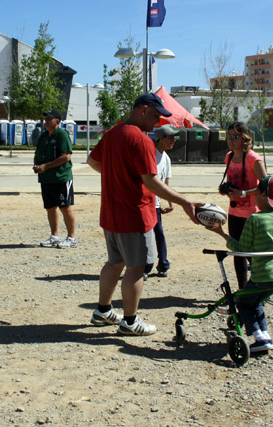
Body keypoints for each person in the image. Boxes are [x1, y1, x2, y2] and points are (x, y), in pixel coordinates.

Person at [87, 93, 201, 336]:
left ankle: (103, 311)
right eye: (155, 115)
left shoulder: (113, 134)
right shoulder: (141, 140)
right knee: (136, 268)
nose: (158, 121)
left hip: (111, 213)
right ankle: (129, 322)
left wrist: (117, 176)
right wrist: (183, 201)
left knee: (114, 262)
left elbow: (92, 161)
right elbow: (151, 181)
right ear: (143, 110)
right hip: (135, 215)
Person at [209, 175, 273, 352]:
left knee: (243, 301)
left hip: (262, 275)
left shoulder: (255, 219)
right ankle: (265, 334)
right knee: (257, 299)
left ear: (261, 194)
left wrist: (222, 233)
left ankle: (258, 336)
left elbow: (242, 249)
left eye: (257, 194)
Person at [219, 122, 268, 289]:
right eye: (229, 136)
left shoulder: (254, 159)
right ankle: (242, 289)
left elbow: (266, 185)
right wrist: (227, 190)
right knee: (237, 252)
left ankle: (260, 285)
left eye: (235, 137)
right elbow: (232, 181)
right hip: (234, 211)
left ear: (245, 139)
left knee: (250, 253)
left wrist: (243, 193)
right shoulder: (229, 157)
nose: (231, 140)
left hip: (251, 213)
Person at [33, 110, 77, 249]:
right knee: (50, 208)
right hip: (46, 179)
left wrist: (46, 166)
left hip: (61, 177)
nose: (46, 121)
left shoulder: (62, 134)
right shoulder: (44, 136)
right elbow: (37, 153)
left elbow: (66, 156)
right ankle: (54, 237)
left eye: (50, 119)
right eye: (46, 118)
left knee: (65, 207)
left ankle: (71, 238)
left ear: (57, 121)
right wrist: (37, 165)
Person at [144, 124, 179, 279]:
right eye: (171, 137)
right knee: (146, 235)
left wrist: (170, 202)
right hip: (146, 202)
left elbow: (165, 183)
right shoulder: (150, 154)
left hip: (156, 204)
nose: (174, 140)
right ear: (161, 138)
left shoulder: (166, 158)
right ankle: (145, 267)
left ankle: (163, 264)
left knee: (159, 233)